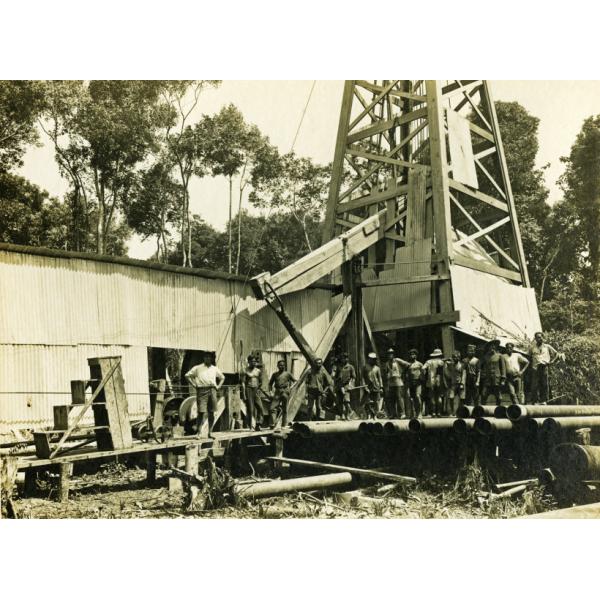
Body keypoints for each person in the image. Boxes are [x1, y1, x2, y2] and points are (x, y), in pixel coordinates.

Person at [185, 352, 225, 438]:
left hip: (212, 390)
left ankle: (210, 432)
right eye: (206, 357)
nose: (208, 359)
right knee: (201, 412)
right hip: (201, 390)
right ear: (204, 358)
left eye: (209, 357)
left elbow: (222, 377)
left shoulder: (215, 369)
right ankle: (198, 433)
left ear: (212, 359)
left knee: (212, 412)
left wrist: (218, 387)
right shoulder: (198, 368)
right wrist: (193, 384)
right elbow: (187, 375)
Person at [529, 332, 564, 404]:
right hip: (535, 367)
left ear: (543, 338)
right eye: (538, 337)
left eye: (541, 337)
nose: (540, 339)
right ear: (535, 339)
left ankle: (543, 400)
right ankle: (535, 401)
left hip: (544, 367)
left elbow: (557, 354)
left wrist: (552, 362)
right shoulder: (532, 348)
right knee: (534, 385)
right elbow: (529, 356)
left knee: (544, 384)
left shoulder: (547, 346)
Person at [383, 348, 410, 419]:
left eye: (391, 353)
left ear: (393, 354)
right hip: (391, 382)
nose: (390, 355)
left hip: (398, 381)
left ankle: (402, 413)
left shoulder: (397, 360)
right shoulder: (387, 363)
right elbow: (385, 373)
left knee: (399, 397)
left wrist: (403, 373)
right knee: (391, 398)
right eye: (389, 354)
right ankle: (393, 414)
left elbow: (407, 365)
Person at [268, 360, 296, 428]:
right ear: (277, 366)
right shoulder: (275, 374)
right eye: (280, 365)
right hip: (277, 392)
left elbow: (295, 381)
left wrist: (290, 388)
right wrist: (270, 392)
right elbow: (270, 384)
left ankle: (284, 425)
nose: (281, 366)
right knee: (272, 408)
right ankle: (272, 424)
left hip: (285, 391)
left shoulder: (288, 374)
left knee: (285, 409)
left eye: (283, 365)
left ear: (285, 366)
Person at [243, 355, 265, 430]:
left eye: (255, 361)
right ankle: (250, 426)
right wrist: (244, 394)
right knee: (250, 409)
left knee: (260, 407)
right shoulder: (245, 370)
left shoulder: (258, 371)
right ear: (248, 362)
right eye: (252, 361)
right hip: (248, 389)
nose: (253, 363)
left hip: (256, 389)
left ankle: (258, 424)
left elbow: (261, 382)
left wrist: (258, 389)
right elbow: (243, 383)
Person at [480, 339, 506, 406]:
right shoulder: (486, 357)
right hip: (487, 379)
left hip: (496, 379)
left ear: (495, 347)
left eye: (493, 346)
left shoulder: (500, 356)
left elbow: (503, 368)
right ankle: (483, 409)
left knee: (498, 396)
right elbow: (482, 367)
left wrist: (503, 379)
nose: (492, 348)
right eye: (490, 346)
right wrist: (483, 374)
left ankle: (498, 409)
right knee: (484, 394)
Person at [422, 349, 446, 416]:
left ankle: (433, 412)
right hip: (439, 380)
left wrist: (424, 374)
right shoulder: (441, 362)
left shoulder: (428, 361)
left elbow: (423, 368)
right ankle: (439, 412)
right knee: (439, 396)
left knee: (432, 397)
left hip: (430, 381)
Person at [335, 352, 357, 421]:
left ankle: (347, 415)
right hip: (339, 386)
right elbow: (335, 377)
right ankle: (342, 415)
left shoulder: (350, 367)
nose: (345, 359)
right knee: (340, 402)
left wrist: (350, 384)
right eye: (344, 358)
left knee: (346, 401)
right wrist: (336, 385)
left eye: (346, 358)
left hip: (346, 386)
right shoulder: (338, 367)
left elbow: (353, 377)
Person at [362, 352, 384, 419]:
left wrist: (381, 387)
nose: (373, 360)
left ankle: (375, 415)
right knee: (368, 402)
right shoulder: (365, 367)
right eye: (372, 359)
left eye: (374, 359)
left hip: (376, 387)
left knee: (376, 402)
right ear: (369, 359)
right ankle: (369, 415)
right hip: (368, 387)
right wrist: (364, 386)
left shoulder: (377, 368)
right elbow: (362, 378)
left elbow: (379, 378)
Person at [444, 350, 465, 416]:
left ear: (459, 358)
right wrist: (447, 360)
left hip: (460, 384)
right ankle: (453, 411)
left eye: (456, 357)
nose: (455, 358)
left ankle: (460, 412)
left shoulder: (462, 365)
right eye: (454, 357)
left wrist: (462, 383)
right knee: (451, 397)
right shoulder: (451, 364)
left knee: (461, 399)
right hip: (453, 384)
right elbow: (444, 362)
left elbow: (464, 375)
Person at [405, 349, 424, 418]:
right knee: (411, 398)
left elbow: (423, 372)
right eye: (411, 354)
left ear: (416, 355)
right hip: (410, 383)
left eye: (413, 354)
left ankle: (420, 413)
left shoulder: (419, 364)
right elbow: (406, 374)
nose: (412, 356)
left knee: (418, 396)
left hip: (418, 382)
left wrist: (421, 379)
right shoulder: (408, 364)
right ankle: (412, 413)